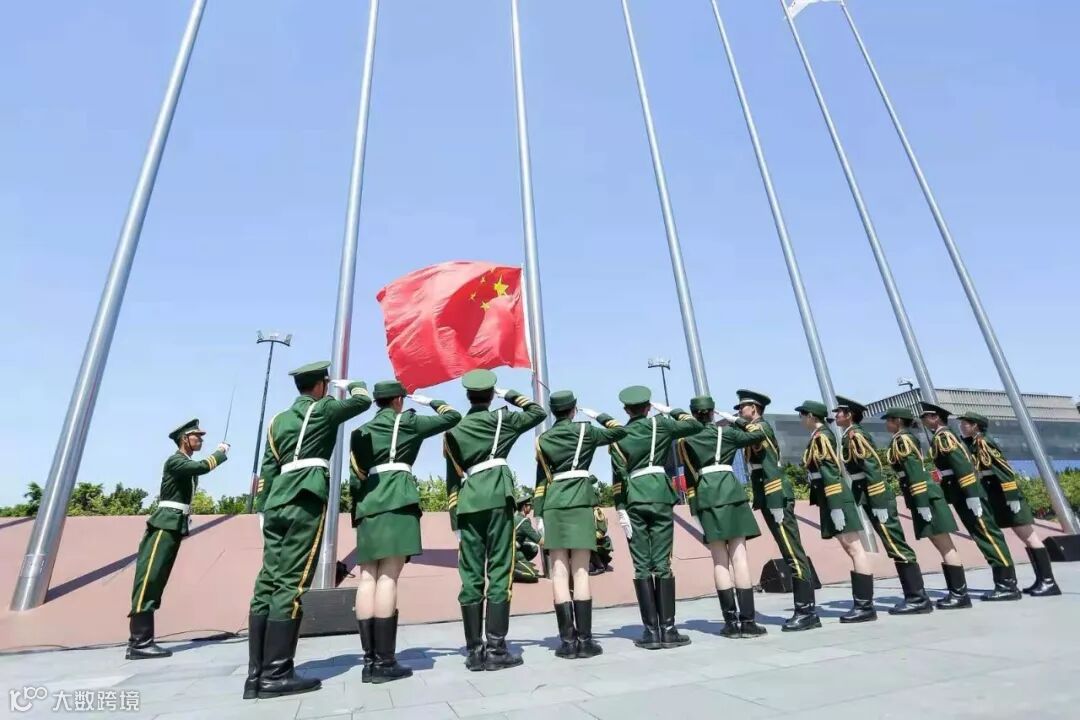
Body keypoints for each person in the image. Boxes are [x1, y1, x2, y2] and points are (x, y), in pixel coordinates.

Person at [245, 361, 372, 700]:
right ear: (320, 385)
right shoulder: (324, 408)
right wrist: (349, 382)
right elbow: (363, 399)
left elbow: (268, 468)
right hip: (304, 498)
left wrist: (263, 508)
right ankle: (276, 674)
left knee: (267, 581)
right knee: (292, 582)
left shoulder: (278, 421)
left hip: (275, 502)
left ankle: (255, 674)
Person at [348, 380, 461, 684]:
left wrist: (360, 509)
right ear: (399, 400)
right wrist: (430, 401)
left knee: (368, 577)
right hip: (398, 500)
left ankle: (369, 661)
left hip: (368, 505)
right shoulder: (409, 423)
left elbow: (355, 479)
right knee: (388, 577)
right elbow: (452, 417)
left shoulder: (360, 432)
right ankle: (385, 662)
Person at [444, 369, 547, 671]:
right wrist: (510, 395)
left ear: (467, 396)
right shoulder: (502, 420)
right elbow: (538, 412)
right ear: (491, 395)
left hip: (468, 504)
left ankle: (475, 652)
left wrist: (454, 522)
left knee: (471, 576)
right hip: (499, 499)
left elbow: (452, 481)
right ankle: (496, 649)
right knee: (500, 571)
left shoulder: (454, 431)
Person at [534, 390, 627, 659]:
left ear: (553, 412)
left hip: (553, 505)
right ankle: (585, 641)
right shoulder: (586, 431)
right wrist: (598, 415)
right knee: (582, 572)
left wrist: (538, 515)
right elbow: (619, 431)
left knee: (559, 573)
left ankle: (567, 642)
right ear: (574, 409)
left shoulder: (543, 439)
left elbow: (541, 479)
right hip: (580, 503)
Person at [126, 419, 229, 660]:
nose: (200, 440)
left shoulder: (184, 462)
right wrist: (220, 453)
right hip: (164, 524)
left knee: (157, 579)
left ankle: (142, 641)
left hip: (174, 524)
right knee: (149, 578)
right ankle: (139, 642)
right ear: (185, 439)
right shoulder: (176, 461)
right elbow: (202, 467)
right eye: (197, 436)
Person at [610, 385, 703, 650]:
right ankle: (669, 630)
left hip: (634, 498)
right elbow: (694, 425)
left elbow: (618, 476)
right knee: (662, 563)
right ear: (648, 407)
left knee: (641, 565)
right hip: (660, 495)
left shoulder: (619, 436)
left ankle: (651, 632)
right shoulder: (660, 425)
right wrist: (671, 410)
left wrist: (620, 507)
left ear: (626, 410)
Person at [677, 395, 769, 638]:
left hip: (707, 496)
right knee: (740, 558)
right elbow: (757, 434)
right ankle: (748, 622)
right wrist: (735, 420)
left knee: (719, 561)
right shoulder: (727, 433)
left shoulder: (686, 440)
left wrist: (694, 508)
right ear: (712, 412)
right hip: (731, 492)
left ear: (693, 414)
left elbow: (689, 476)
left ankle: (730, 623)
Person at [834, 396, 931, 615]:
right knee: (893, 544)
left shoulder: (856, 435)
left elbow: (872, 467)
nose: (836, 415)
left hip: (875, 495)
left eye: (839, 412)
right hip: (868, 494)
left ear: (849, 415)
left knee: (895, 544)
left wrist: (877, 500)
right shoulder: (850, 435)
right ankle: (915, 596)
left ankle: (918, 598)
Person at [735, 390, 821, 632]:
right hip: (769, 497)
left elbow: (767, 462)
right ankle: (805, 610)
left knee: (793, 553)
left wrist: (774, 501)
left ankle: (807, 612)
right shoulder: (755, 429)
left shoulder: (761, 427)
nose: (739, 411)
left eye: (742, 407)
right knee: (789, 551)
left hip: (776, 497)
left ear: (754, 408)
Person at [920, 402, 1020, 601]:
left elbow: (962, 465)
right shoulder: (941, 436)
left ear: (935, 418)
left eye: (926, 416)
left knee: (988, 535)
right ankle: (1004, 583)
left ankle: (1007, 585)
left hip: (966, 493)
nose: (922, 420)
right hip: (960, 492)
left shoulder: (945, 437)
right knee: (983, 535)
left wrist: (972, 494)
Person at [959, 412, 1061, 596]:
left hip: (1007, 495)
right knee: (1024, 536)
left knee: (1029, 536)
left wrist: (1012, 496)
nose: (962, 426)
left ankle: (1048, 581)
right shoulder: (975, 442)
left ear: (975, 426)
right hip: (998, 494)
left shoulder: (985, 442)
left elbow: (1004, 469)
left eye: (965, 423)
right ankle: (1041, 580)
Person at [881, 407, 972, 609]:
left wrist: (922, 503)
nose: (886, 423)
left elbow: (914, 472)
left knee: (945, 545)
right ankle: (957, 593)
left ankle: (960, 594)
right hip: (921, 496)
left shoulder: (903, 440)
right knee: (941, 544)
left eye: (889, 420)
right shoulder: (900, 438)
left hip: (926, 497)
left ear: (897, 421)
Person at [796, 400, 876, 624]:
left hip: (836, 497)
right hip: (830, 497)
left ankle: (865, 606)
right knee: (851, 548)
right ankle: (863, 605)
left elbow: (830, 472)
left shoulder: (822, 437)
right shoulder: (817, 436)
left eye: (802, 415)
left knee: (855, 549)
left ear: (811, 416)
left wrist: (836, 506)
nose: (801, 419)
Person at [513, 489, 542, 584]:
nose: (531, 507)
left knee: (533, 548)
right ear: (524, 507)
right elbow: (539, 540)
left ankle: (519, 564)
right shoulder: (523, 522)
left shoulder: (515, 517)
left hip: (511, 550)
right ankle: (511, 571)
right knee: (533, 575)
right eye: (529, 505)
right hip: (512, 552)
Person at [590, 507, 614, 575]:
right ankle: (603, 561)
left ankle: (600, 566)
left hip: (600, 541)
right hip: (598, 540)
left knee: (587, 546)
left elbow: (601, 532)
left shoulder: (596, 512)